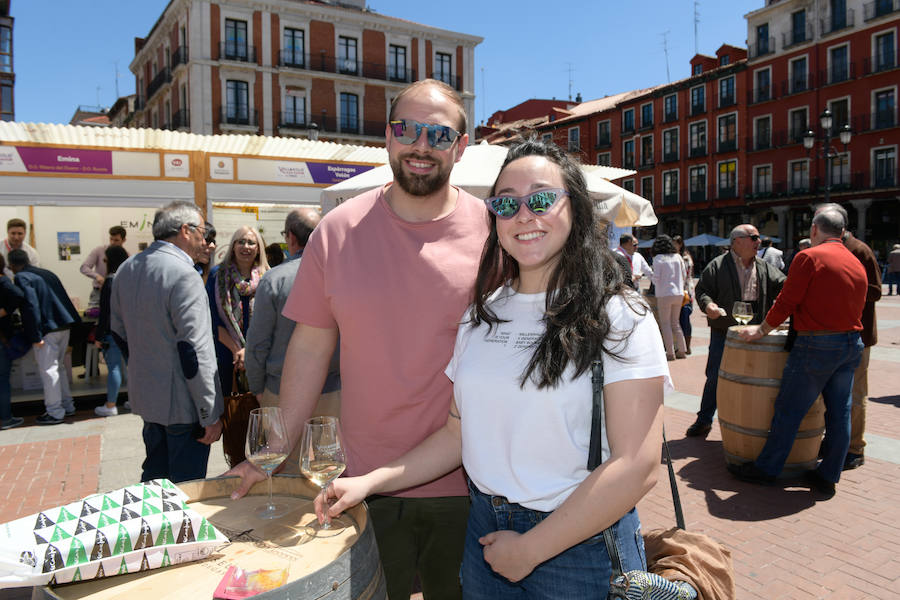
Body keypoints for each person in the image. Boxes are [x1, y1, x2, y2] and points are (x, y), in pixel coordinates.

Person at [318, 140, 668, 599]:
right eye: (506, 203)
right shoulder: (483, 315)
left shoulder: (618, 314)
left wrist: (532, 549)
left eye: (541, 199)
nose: (524, 215)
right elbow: (456, 435)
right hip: (485, 530)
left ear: (576, 209)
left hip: (580, 543)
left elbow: (638, 465)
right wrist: (368, 482)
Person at [227, 78, 489, 600]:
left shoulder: (493, 232)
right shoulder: (338, 229)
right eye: (406, 129)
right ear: (387, 139)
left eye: (438, 135)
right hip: (361, 481)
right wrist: (276, 447)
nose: (421, 145)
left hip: (472, 481)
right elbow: (309, 347)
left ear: (460, 148)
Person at [734, 208, 866, 497]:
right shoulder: (855, 261)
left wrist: (761, 330)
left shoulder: (809, 257)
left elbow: (787, 301)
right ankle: (828, 474)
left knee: (789, 409)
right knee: (839, 412)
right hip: (850, 343)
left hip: (816, 345)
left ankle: (767, 469)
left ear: (815, 230)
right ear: (842, 232)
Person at [110, 201, 223, 483]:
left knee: (154, 481)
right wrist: (208, 412)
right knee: (186, 491)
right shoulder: (184, 274)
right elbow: (194, 350)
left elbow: (118, 333)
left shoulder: (127, 268)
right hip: (184, 406)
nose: (205, 240)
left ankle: (151, 527)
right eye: (202, 231)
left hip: (149, 399)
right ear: (186, 230)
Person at [244, 209, 340, 474]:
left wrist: (257, 387)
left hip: (279, 392)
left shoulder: (274, 279)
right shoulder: (339, 277)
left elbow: (257, 344)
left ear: (290, 238)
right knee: (325, 469)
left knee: (283, 472)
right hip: (335, 391)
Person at [685, 224, 785, 438]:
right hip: (725, 331)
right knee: (715, 376)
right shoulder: (718, 265)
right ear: (737, 241)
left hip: (756, 331)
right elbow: (703, 291)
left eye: (759, 238)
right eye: (754, 237)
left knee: (754, 377)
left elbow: (785, 286)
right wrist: (708, 305)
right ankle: (704, 420)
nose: (759, 242)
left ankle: (751, 421)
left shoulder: (764, 266)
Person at [8, 250, 78, 425]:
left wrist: (35, 335)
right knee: (59, 368)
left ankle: (54, 412)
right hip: (64, 325)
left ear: (13, 266)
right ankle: (68, 406)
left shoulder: (22, 277)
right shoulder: (46, 272)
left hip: (47, 329)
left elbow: (31, 306)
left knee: (49, 371)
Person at [835, 210, 881, 471]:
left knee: (856, 393)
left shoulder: (860, 250)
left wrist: (844, 291)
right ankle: (837, 441)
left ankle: (855, 448)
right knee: (835, 394)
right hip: (835, 333)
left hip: (859, 334)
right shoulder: (832, 250)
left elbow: (875, 291)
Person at [206, 226, 269, 396]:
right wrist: (239, 353)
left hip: (261, 357)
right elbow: (212, 320)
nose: (246, 246)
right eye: (240, 241)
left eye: (251, 243)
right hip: (228, 357)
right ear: (233, 246)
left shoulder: (268, 277)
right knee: (231, 413)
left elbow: (271, 321)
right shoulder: (217, 275)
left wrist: (249, 352)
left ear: (258, 249)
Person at [0, 254, 41, 430]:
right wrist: (4, 311)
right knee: (2, 379)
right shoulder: (3, 281)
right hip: (2, 338)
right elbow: (18, 295)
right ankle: (6, 418)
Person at [93, 245, 129, 417]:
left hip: (113, 331)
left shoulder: (110, 281)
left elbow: (105, 312)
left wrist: (99, 335)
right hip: (130, 331)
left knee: (114, 367)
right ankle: (135, 399)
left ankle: (111, 404)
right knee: (131, 368)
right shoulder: (128, 278)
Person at [650, 235, 687, 360]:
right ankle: (682, 350)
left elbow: (656, 279)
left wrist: (649, 274)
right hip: (679, 292)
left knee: (665, 324)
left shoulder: (658, 258)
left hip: (664, 294)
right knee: (675, 323)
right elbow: (684, 275)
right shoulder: (678, 257)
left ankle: (670, 352)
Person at [80, 226, 126, 307]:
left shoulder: (126, 255)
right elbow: (84, 267)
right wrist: (97, 276)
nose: (112, 242)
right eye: (111, 239)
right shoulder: (99, 250)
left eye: (116, 240)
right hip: (98, 293)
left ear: (124, 240)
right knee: (95, 317)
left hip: (118, 293)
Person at [673, 235, 695, 354]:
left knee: (685, 318)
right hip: (677, 291)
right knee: (676, 320)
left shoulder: (685, 258)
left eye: (676, 243)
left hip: (685, 291)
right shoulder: (673, 257)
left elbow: (685, 276)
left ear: (680, 244)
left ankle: (687, 345)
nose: (674, 246)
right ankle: (679, 345)